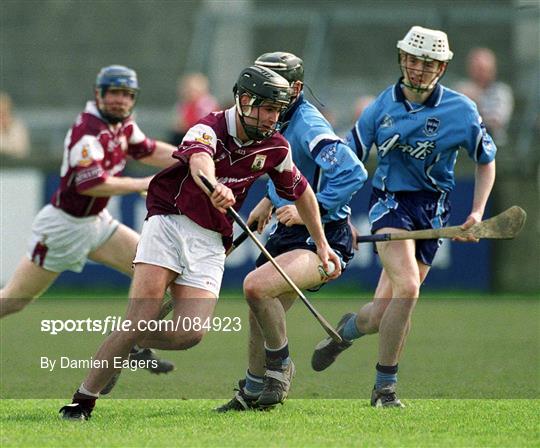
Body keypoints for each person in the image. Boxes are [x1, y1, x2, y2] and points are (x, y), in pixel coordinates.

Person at [59, 65, 342, 420]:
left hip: (211, 239)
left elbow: (302, 194)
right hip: (169, 222)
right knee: (141, 315)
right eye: (266, 108)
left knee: (189, 334)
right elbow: (199, 163)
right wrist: (214, 187)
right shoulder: (208, 127)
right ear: (244, 100)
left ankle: (129, 343)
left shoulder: (276, 147)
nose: (272, 117)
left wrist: (322, 244)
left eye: (277, 110)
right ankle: (82, 401)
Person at [311, 26, 497, 408]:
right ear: (402, 59)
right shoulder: (382, 107)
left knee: (383, 313)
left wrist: (476, 212)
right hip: (390, 204)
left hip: (434, 212)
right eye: (412, 59)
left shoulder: (461, 111)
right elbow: (348, 158)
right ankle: (385, 389)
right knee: (408, 289)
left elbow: (486, 161)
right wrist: (329, 206)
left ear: (442, 67)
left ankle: (344, 332)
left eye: (427, 62)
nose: (417, 68)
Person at [0, 65, 177, 374]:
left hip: (97, 223)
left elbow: (147, 150)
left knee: (161, 273)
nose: (120, 100)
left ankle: (131, 344)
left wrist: (191, 156)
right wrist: (141, 183)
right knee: (13, 301)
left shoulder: (121, 125)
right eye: (114, 93)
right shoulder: (87, 132)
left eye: (127, 94)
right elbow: (91, 184)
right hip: (63, 228)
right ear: (99, 94)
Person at [216, 52, 367, 412]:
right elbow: (290, 171)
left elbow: (353, 172)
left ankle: (280, 366)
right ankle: (253, 390)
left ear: (295, 88)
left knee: (256, 286)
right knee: (260, 307)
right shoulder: (276, 119)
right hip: (288, 234)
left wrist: (309, 213)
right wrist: (268, 200)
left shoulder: (308, 125)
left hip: (322, 238)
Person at [455, 47, 514, 146]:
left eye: (483, 69)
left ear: (492, 69)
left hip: (492, 145)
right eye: (476, 68)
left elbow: (496, 121)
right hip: (462, 145)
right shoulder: (461, 88)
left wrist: (475, 102)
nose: (480, 73)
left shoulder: (501, 92)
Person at [169, 73, 220, 146]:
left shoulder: (207, 104)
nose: (188, 93)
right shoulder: (183, 104)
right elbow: (178, 124)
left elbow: (207, 124)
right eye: (186, 90)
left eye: (192, 90)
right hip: (187, 134)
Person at [0, 91, 30, 159]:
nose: (2, 116)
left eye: (4, 112)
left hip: (16, 165)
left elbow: (21, 150)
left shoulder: (18, 127)